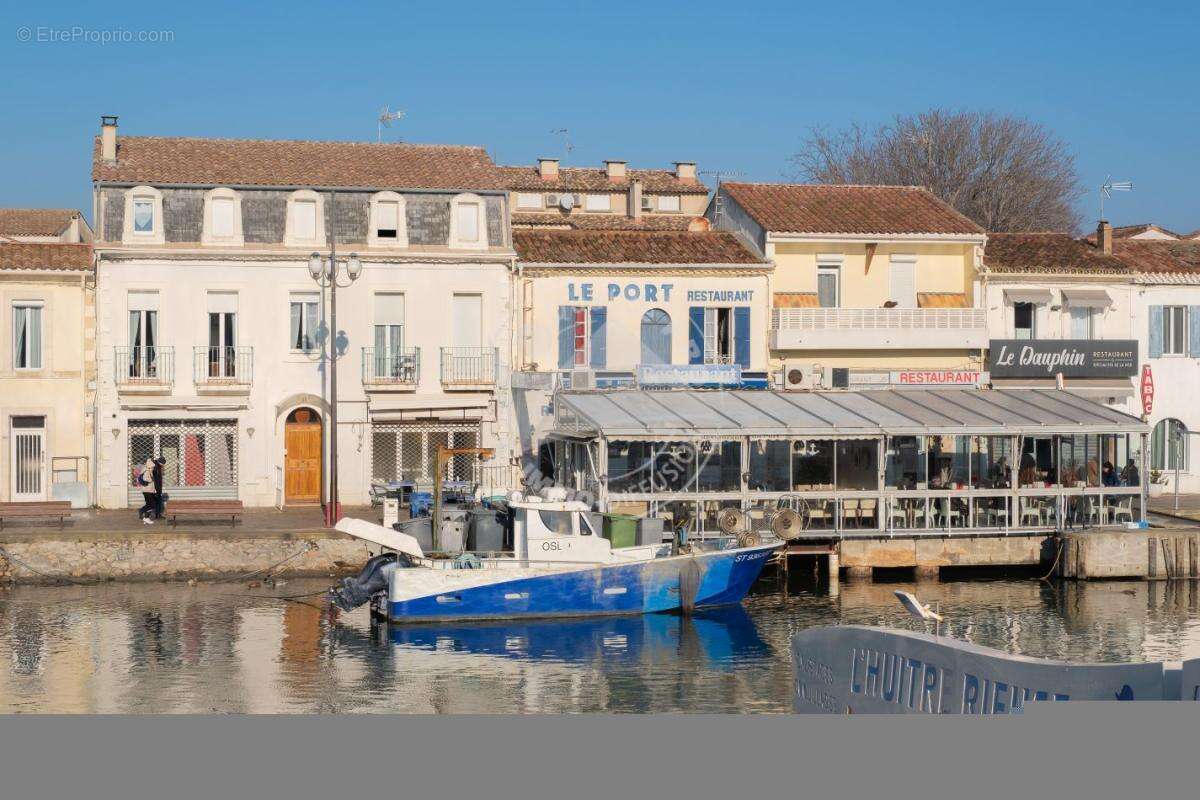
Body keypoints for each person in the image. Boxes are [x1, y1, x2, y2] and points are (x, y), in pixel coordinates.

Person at [135, 458, 156, 524]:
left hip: (148, 490)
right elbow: (146, 480)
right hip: (147, 491)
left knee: (149, 504)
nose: (153, 468)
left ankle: (144, 515)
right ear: (150, 467)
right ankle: (146, 517)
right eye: (152, 467)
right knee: (151, 505)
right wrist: (151, 479)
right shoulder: (147, 471)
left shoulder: (146, 470)